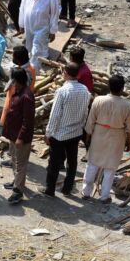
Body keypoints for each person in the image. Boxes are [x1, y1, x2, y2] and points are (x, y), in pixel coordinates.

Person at [83, 74, 130, 203]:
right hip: (117, 137)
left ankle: (86, 193)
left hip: (99, 134)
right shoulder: (128, 105)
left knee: (92, 164)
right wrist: (128, 142)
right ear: (122, 88)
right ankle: (104, 196)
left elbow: (90, 121)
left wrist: (88, 137)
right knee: (110, 168)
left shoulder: (98, 100)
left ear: (108, 86)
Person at [44, 62, 90, 196]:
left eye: (63, 72)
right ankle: (67, 189)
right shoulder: (85, 90)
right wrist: (81, 127)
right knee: (72, 162)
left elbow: (55, 115)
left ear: (66, 74)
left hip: (59, 134)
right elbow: (85, 113)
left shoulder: (62, 91)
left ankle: (49, 190)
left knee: (54, 163)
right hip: (76, 132)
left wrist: (48, 133)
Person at [2, 68, 35, 204]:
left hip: (20, 137)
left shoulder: (26, 97)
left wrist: (21, 137)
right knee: (14, 159)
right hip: (13, 134)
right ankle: (16, 182)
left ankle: (18, 191)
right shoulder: (18, 92)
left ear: (18, 81)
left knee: (20, 164)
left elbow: (28, 121)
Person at [19, 0, 60, 72]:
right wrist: (21, 24)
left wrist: (53, 31)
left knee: (38, 49)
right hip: (29, 25)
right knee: (29, 46)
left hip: (41, 29)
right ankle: (32, 62)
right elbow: (22, 8)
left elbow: (55, 14)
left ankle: (34, 69)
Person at [0, 45, 35, 127]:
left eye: (13, 57)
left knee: (10, 123)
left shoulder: (25, 73)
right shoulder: (31, 68)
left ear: (19, 61)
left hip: (16, 103)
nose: (12, 59)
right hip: (13, 99)